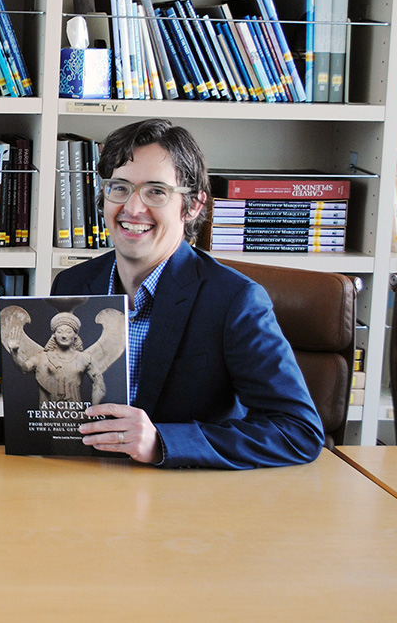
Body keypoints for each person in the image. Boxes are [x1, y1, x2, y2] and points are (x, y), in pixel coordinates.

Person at [52, 118, 324, 469]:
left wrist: (162, 442)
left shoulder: (234, 301)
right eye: (120, 188)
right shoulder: (72, 285)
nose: (133, 209)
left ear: (193, 205)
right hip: (81, 485)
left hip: (183, 501)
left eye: (156, 192)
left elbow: (298, 432)